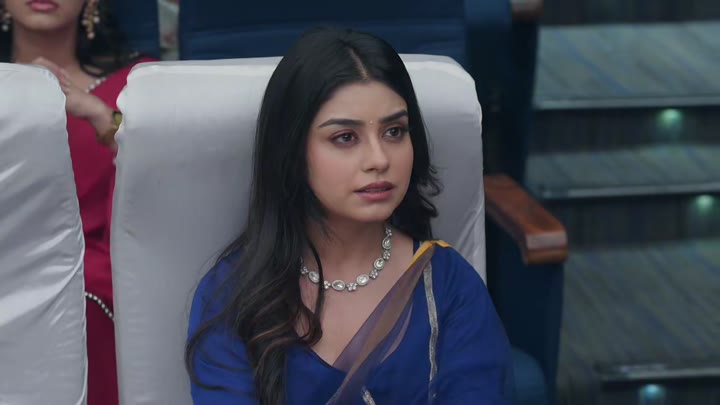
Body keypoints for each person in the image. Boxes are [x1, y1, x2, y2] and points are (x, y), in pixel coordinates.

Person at [185, 27, 514, 404]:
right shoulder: (232, 295)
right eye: (345, 137)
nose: (379, 159)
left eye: (395, 131)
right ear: (292, 151)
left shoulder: (447, 286)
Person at [1, 1, 155, 404]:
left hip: (101, 268)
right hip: (8, 261)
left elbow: (164, 174)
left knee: (82, 291)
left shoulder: (140, 85)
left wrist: (99, 115)